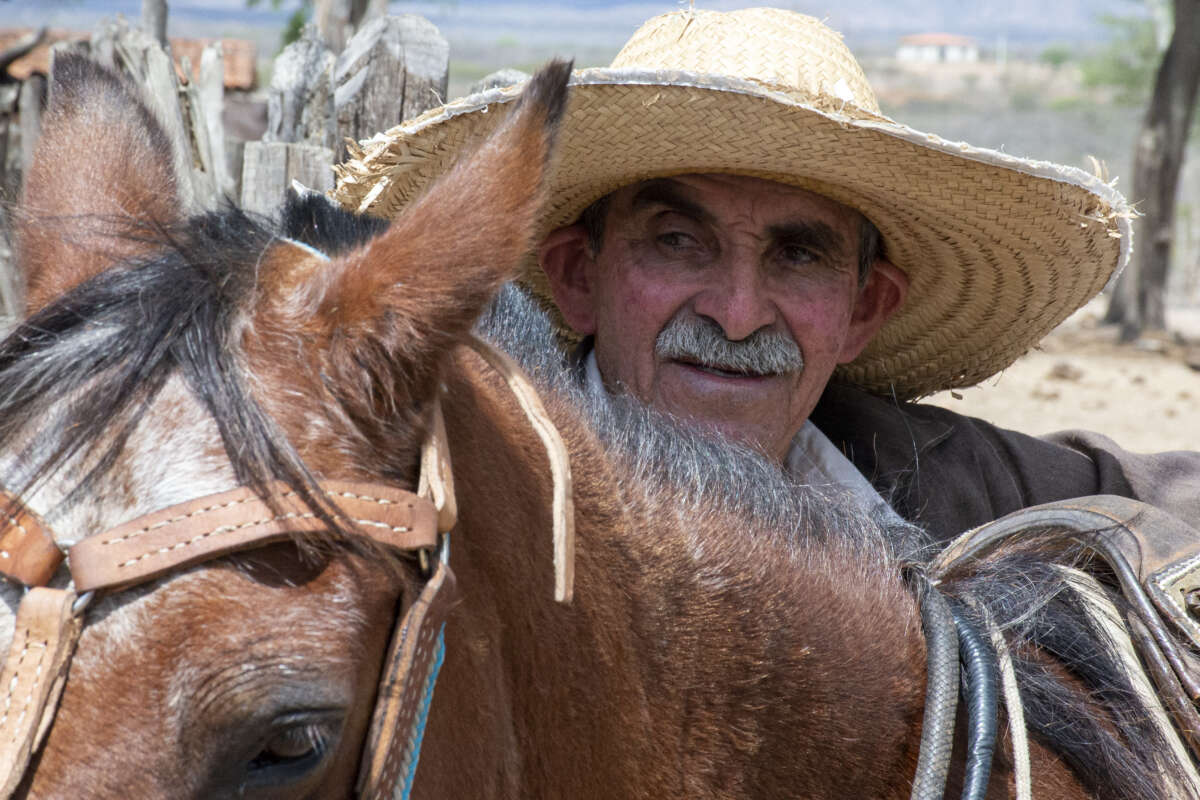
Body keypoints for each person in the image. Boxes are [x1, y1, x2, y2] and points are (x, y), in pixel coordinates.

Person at [334, 7, 1200, 543]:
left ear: (865, 310)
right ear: (575, 276)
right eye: (678, 241)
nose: (740, 314)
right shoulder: (464, 495)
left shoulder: (923, 472)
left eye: (799, 255)